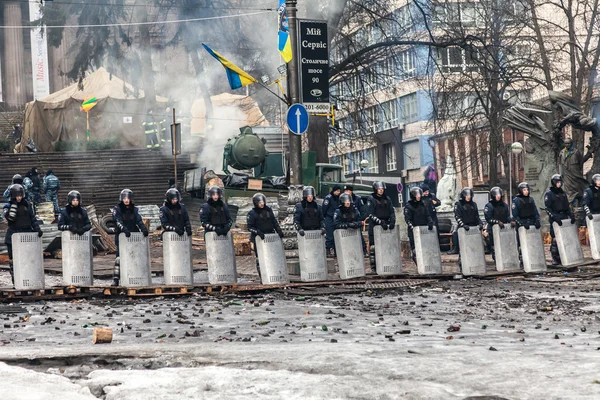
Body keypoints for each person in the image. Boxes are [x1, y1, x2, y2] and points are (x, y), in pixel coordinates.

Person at [2, 184, 42, 286]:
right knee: (14, 261)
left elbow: (32, 218)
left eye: (20, 195)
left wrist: (37, 228)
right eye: (16, 195)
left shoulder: (27, 205)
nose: (19, 197)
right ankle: (16, 281)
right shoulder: (8, 206)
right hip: (13, 235)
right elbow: (10, 218)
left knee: (28, 260)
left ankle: (29, 280)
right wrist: (14, 205)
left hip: (26, 234)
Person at [112, 189, 149, 286]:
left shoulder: (134, 209)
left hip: (133, 235)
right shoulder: (117, 209)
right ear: (121, 199)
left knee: (135, 256)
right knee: (119, 257)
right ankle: (116, 279)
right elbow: (117, 221)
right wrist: (124, 229)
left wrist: (144, 229)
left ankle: (135, 276)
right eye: (124, 198)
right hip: (122, 236)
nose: (126, 200)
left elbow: (139, 221)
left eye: (128, 198)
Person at [247, 193, 284, 281]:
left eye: (263, 202)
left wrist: (279, 231)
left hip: (270, 236)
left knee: (272, 256)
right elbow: (250, 227)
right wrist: (258, 232)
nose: (262, 204)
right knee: (260, 258)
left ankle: (274, 275)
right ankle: (262, 277)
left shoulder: (268, 210)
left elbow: (274, 221)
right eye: (260, 202)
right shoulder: (252, 213)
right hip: (259, 238)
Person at [544, 174, 575, 266]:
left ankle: (563, 256)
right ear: (553, 183)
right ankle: (555, 258)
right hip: (555, 217)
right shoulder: (549, 193)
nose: (559, 184)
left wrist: (571, 215)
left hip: (563, 216)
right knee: (555, 239)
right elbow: (548, 208)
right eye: (557, 182)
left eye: (560, 182)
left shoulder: (563, 193)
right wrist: (554, 218)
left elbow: (567, 206)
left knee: (565, 238)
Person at [366, 181, 396, 274]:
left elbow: (391, 211)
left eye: (382, 189)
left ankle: (387, 264)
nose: (381, 191)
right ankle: (373, 268)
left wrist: (392, 221)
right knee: (373, 247)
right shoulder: (371, 199)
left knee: (386, 246)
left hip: (386, 226)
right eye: (379, 189)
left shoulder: (387, 199)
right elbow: (370, 214)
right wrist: (379, 221)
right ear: (375, 189)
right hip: (375, 226)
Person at [448, 188, 483, 255]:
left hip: (473, 225)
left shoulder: (474, 204)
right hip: (463, 226)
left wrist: (480, 223)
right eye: (466, 195)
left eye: (469, 195)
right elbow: (457, 216)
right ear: (463, 196)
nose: (468, 197)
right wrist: (462, 225)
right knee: (456, 233)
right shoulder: (458, 204)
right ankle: (456, 248)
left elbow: (477, 216)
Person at [483, 187, 515, 260]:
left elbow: (507, 216)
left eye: (499, 194)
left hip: (503, 229)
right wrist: (497, 222)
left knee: (504, 246)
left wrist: (511, 221)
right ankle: (497, 261)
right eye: (496, 195)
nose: (498, 196)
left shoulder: (504, 205)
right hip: (493, 230)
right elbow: (488, 218)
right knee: (495, 247)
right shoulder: (489, 206)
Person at [404, 187, 434, 263]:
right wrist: (413, 228)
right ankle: (419, 264)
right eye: (417, 194)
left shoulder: (422, 204)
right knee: (415, 250)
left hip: (424, 230)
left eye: (419, 194)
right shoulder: (409, 206)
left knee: (425, 249)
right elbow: (408, 219)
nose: (419, 196)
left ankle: (426, 264)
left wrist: (430, 222)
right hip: (414, 231)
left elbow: (427, 215)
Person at [344, 185, 366, 253]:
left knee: (359, 236)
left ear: (351, 191)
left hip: (356, 220)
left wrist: (360, 220)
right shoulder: (342, 198)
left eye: (348, 191)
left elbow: (362, 210)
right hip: (347, 221)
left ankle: (364, 250)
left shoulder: (357, 198)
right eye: (345, 191)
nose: (347, 192)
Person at [321, 184, 342, 257]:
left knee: (337, 235)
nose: (338, 192)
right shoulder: (328, 198)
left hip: (336, 218)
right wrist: (324, 217)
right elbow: (324, 209)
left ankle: (337, 251)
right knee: (330, 236)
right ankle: (328, 250)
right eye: (337, 191)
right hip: (329, 218)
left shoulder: (339, 198)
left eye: (339, 191)